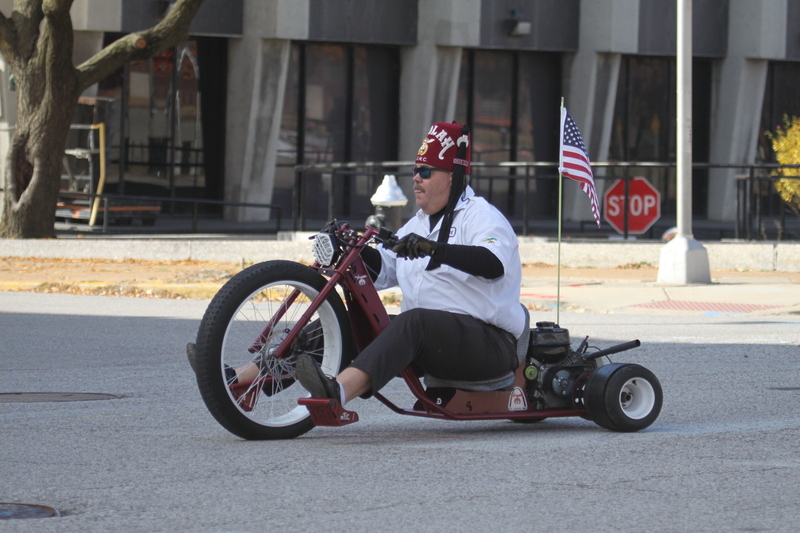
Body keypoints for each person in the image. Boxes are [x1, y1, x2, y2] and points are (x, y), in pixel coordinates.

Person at [295, 122, 527, 406]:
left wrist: (434, 250)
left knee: (414, 321)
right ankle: (242, 381)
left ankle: (336, 393)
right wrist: (352, 247)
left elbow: (493, 263)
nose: (416, 178)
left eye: (426, 172)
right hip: (432, 345)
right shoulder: (416, 225)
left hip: (488, 346)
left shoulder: (481, 216)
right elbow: (382, 270)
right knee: (343, 325)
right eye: (415, 171)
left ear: (452, 177)